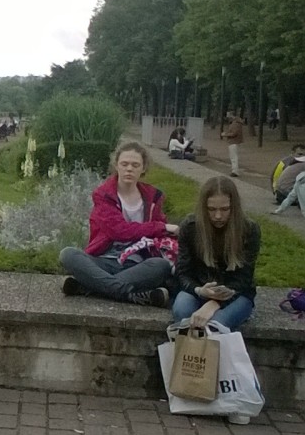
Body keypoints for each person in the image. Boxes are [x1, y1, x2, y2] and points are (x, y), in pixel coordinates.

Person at [59, 142, 178, 307]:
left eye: (135, 165)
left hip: (138, 263)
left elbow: (159, 236)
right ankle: (133, 295)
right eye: (124, 164)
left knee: (161, 265)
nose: (129, 169)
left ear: (143, 168)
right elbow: (120, 231)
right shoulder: (103, 195)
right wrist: (161, 227)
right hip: (104, 260)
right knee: (68, 254)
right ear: (116, 166)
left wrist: (165, 230)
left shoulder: (153, 196)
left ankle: (88, 288)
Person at [173, 176, 259, 332]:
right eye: (211, 209)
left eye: (225, 209)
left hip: (236, 293)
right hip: (198, 288)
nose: (218, 216)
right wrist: (200, 291)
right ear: (203, 208)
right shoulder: (190, 227)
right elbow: (183, 272)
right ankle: (186, 348)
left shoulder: (249, 230)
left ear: (234, 207)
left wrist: (215, 303)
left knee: (216, 324)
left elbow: (244, 278)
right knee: (182, 313)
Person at [221, 112, 244, 177]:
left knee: (233, 157)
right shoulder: (237, 123)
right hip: (235, 142)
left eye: (228, 116)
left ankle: (235, 171)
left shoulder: (235, 124)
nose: (227, 118)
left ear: (231, 116)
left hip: (233, 142)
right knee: (234, 157)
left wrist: (225, 134)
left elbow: (234, 133)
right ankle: (234, 170)